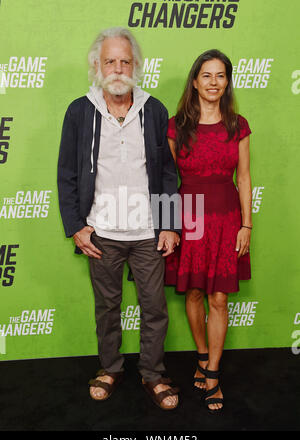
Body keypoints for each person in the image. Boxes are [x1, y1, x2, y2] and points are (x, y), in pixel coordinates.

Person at [57, 27, 181, 410]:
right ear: (97, 65)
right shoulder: (80, 110)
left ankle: (153, 374)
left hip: (147, 232)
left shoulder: (155, 109)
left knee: (155, 308)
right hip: (101, 233)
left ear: (136, 65)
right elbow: (67, 174)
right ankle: (109, 368)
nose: (117, 67)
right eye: (110, 60)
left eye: (125, 60)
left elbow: (167, 173)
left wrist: (170, 224)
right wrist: (76, 226)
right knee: (107, 308)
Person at [165, 49, 252, 413]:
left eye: (220, 75)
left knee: (219, 298)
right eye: (206, 75)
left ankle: (213, 372)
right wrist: (169, 226)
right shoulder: (175, 125)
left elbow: (244, 177)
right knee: (196, 292)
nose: (214, 82)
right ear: (195, 81)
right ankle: (202, 355)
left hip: (227, 217)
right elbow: (166, 180)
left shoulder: (238, 125)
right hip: (190, 218)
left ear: (227, 81)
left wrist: (247, 223)